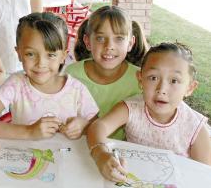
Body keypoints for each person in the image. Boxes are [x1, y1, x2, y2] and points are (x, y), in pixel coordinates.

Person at [87, 42, 211, 183]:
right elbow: (98, 126)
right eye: (153, 78)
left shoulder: (196, 128)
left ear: (190, 88)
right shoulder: (131, 108)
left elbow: (204, 176)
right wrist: (100, 154)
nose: (162, 89)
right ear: (140, 79)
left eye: (174, 81)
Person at [0, 12, 98, 140]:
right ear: (19, 53)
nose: (41, 63)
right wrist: (28, 131)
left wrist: (84, 125)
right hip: (23, 158)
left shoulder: (77, 89)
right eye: (30, 54)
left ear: (63, 56)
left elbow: (97, 126)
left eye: (51, 55)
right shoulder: (16, 85)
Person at [65, 5, 144, 140]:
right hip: (77, 146)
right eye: (101, 38)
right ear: (88, 42)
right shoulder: (70, 75)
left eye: (119, 38)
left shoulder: (141, 80)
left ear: (130, 43)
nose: (109, 46)